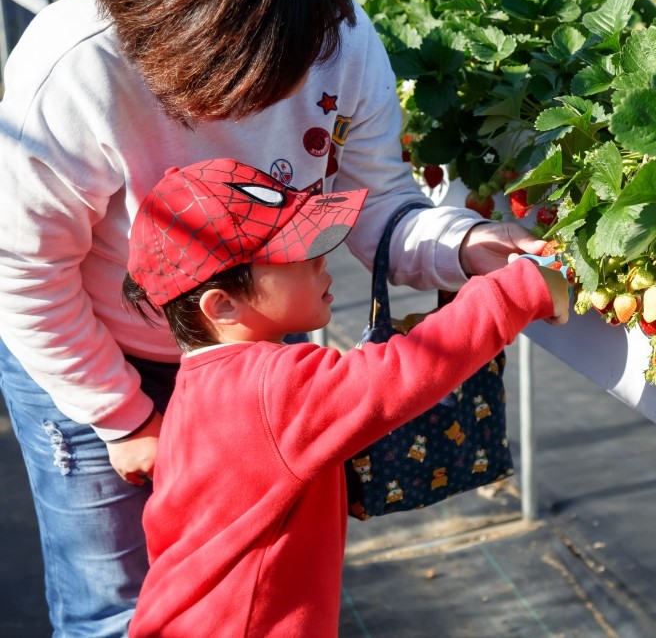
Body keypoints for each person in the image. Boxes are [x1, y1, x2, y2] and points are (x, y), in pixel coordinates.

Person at [0, 0, 549, 634]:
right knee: (111, 607)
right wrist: (123, 417)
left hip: (241, 343)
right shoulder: (74, 70)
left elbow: (382, 202)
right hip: (85, 347)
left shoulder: (335, 37)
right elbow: (24, 276)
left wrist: (463, 245)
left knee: (235, 570)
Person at [116, 158, 567, 636]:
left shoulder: (201, 385)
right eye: (295, 251)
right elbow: (400, 373)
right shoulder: (269, 387)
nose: (320, 257)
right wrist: (523, 288)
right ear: (222, 305)